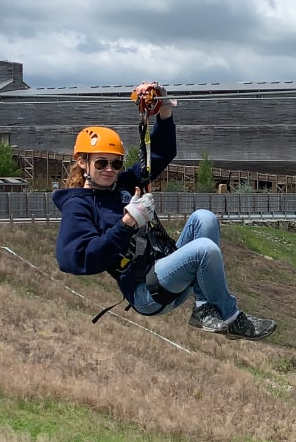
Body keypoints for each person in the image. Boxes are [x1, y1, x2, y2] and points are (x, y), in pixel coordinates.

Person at [52, 81, 277, 339]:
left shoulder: (122, 185)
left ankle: (204, 307)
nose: (110, 170)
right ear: (82, 162)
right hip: (145, 290)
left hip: (165, 266)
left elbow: (160, 153)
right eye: (101, 162)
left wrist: (164, 109)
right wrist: (126, 224)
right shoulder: (78, 205)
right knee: (205, 249)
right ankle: (232, 316)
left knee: (204, 218)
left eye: (116, 163)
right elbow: (73, 259)